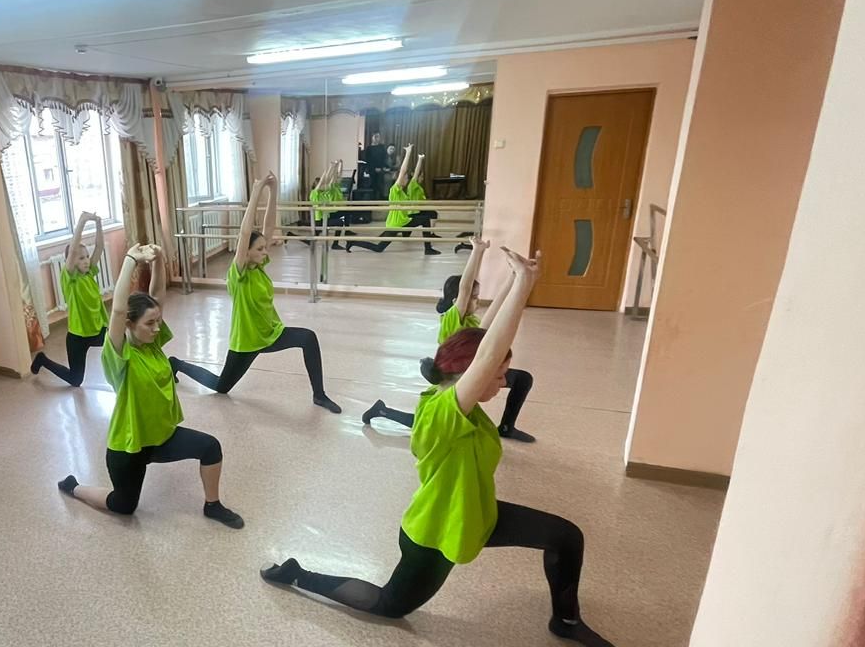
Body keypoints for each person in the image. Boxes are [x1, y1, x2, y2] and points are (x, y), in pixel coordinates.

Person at [261, 249, 613, 647]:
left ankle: (565, 621)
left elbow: (485, 340)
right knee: (390, 605)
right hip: (436, 530)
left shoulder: (455, 394)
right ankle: (298, 574)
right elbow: (488, 354)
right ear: (471, 375)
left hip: (476, 512)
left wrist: (519, 282)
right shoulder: (443, 413)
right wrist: (524, 287)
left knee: (565, 536)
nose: (503, 383)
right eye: (498, 375)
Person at [57, 243, 244, 529]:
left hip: (162, 437)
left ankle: (213, 505)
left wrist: (158, 260)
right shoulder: (119, 356)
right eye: (150, 323)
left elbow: (157, 295)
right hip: (129, 447)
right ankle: (74, 487)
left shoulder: (152, 344)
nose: (157, 328)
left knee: (210, 447)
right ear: (129, 325)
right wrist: (130, 259)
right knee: (124, 506)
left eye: (158, 322)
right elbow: (118, 310)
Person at [171, 172, 343, 413]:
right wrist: (256, 192)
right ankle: (177, 364)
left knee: (308, 338)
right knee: (221, 387)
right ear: (247, 252)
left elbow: (268, 227)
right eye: (260, 249)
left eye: (265, 248)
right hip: (247, 341)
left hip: (271, 333)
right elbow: (244, 235)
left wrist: (273, 190)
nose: (265, 251)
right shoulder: (238, 274)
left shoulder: (259, 267)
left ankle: (319, 395)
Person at [363, 239, 537, 442]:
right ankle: (383, 411)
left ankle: (506, 426)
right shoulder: (452, 318)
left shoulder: (471, 322)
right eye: (474, 297)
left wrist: (515, 277)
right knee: (431, 421)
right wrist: (477, 251)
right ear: (457, 301)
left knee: (520, 379)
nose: (477, 301)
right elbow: (465, 288)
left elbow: (495, 311)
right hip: (456, 376)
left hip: (466, 373)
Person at [31, 212, 108, 386]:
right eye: (81, 258)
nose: (86, 261)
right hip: (78, 337)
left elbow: (99, 247)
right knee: (76, 380)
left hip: (97, 330)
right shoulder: (70, 279)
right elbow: (73, 250)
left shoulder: (89, 273)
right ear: (71, 262)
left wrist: (98, 223)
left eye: (86, 256)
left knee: (121, 341)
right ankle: (43, 360)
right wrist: (82, 221)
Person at [350, 146, 440, 255]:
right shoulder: (395, 190)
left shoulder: (402, 192)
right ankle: (353, 242)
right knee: (378, 248)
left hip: (401, 221)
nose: (407, 180)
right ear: (400, 179)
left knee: (425, 219)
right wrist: (408, 153)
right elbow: (403, 171)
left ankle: (428, 248)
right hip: (398, 223)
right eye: (405, 178)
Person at [308, 160, 352, 251]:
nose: (325, 186)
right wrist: (331, 167)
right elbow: (324, 179)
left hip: (325, 217)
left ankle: (336, 243)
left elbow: (334, 177)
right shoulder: (314, 193)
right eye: (322, 185)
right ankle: (335, 244)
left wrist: (336, 166)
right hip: (319, 221)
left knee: (313, 238)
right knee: (312, 239)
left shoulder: (325, 193)